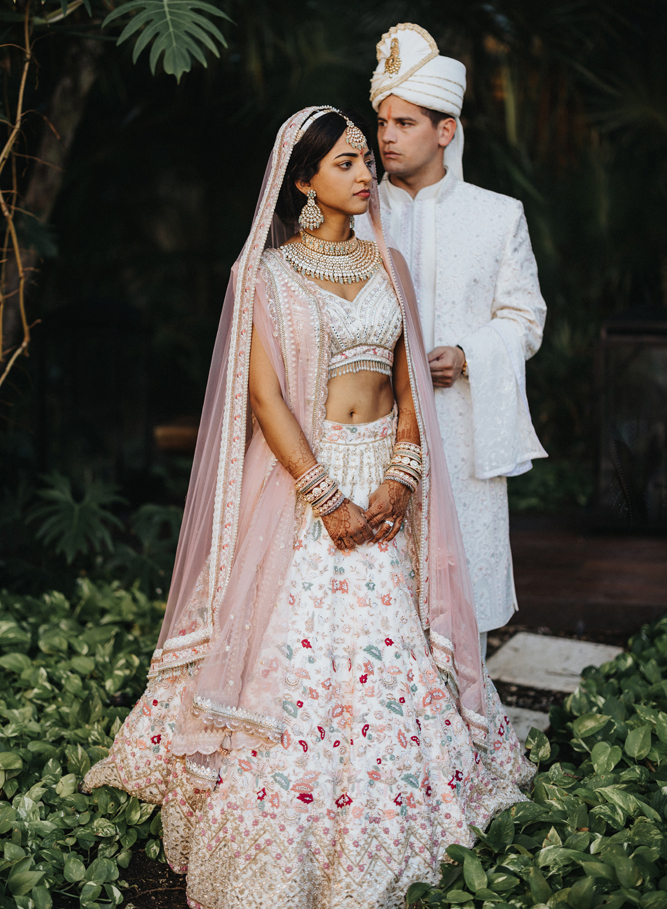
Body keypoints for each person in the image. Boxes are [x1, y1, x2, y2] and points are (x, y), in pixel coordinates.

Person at [83, 106, 533, 909]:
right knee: (296, 652)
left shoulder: (387, 263)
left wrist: (399, 473)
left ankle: (396, 818)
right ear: (302, 181)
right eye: (347, 163)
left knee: (393, 650)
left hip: (386, 479)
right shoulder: (265, 276)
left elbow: (406, 384)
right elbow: (264, 400)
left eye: (367, 158)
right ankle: (282, 833)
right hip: (306, 481)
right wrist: (325, 496)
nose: (366, 174)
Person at [367, 24, 548, 656]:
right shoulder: (353, 215)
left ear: (446, 130)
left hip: (462, 425)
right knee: (373, 594)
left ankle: (462, 722)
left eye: (406, 123)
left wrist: (469, 355)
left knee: (459, 589)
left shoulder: (498, 216)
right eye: (383, 122)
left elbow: (525, 318)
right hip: (370, 431)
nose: (387, 136)